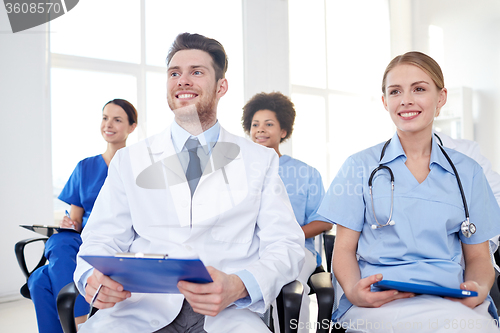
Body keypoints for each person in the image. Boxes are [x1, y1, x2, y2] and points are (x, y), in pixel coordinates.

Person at [73, 33, 305, 333]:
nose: (182, 81)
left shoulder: (260, 161)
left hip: (226, 311)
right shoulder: (129, 161)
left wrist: (240, 285)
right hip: (140, 308)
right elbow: (100, 237)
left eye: (196, 72)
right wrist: (93, 277)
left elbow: (286, 244)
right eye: (174, 73)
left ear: (221, 86)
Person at [317, 51, 500, 332]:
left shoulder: (468, 172)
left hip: (450, 300)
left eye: (419, 89)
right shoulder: (359, 166)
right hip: (379, 301)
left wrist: (477, 288)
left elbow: (478, 258)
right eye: (395, 91)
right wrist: (354, 291)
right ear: (384, 102)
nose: (406, 100)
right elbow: (343, 250)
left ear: (441, 99)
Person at [27, 99, 138, 333]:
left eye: (117, 120)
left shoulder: (137, 166)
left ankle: (77, 323)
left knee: (39, 280)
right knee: (60, 238)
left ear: (132, 127)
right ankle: (80, 323)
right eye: (105, 117)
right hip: (82, 241)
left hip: (117, 243)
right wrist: (69, 224)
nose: (108, 124)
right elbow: (75, 221)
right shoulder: (84, 167)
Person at [242, 91, 332, 330]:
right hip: (252, 248)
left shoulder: (306, 173)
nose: (260, 129)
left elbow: (324, 221)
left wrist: (288, 236)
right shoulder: (239, 173)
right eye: (255, 125)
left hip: (298, 249)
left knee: (289, 284)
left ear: (283, 131)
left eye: (268, 124)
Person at [433, 130, 500, 253]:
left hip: (465, 259)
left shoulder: (466, 151)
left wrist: (478, 246)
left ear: (438, 109)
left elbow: (496, 196)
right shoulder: (386, 158)